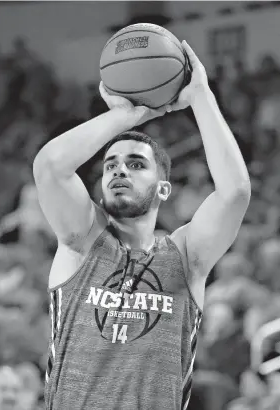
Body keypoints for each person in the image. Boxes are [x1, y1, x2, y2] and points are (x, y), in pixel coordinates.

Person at [33, 40, 251, 410]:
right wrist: (125, 117)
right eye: (111, 165)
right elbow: (50, 167)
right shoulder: (81, 241)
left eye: (136, 164)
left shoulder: (186, 256)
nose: (120, 169)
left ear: (163, 188)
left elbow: (234, 193)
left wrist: (200, 95)